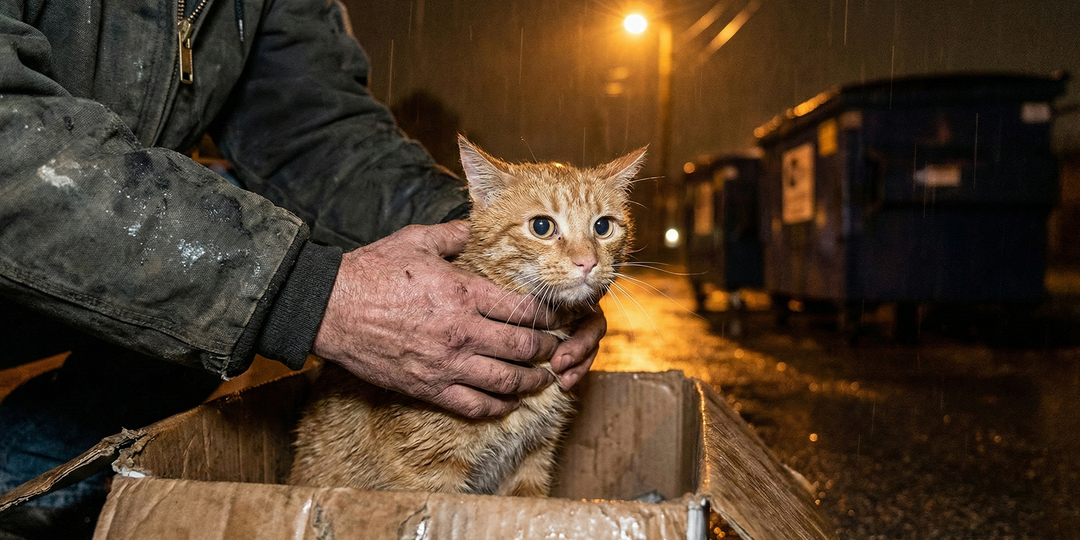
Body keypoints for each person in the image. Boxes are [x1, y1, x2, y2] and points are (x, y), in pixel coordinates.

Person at [0, 0, 606, 536]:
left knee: (187, 358)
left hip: (82, 320)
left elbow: (314, 132)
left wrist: (491, 236)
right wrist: (304, 292)